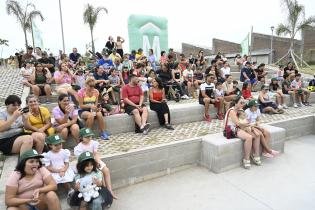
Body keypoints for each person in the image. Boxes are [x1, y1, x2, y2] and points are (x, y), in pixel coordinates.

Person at [74, 128, 117, 199]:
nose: (89, 138)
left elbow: (95, 154)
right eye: (86, 137)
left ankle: (110, 190)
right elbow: (81, 160)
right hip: (85, 164)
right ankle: (101, 188)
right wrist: (92, 165)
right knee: (97, 173)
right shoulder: (79, 147)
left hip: (94, 161)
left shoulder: (93, 143)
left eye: (90, 136)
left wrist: (97, 162)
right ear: (81, 138)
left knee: (106, 170)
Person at [224, 96, 261, 169]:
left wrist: (250, 125)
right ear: (235, 103)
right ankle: (246, 159)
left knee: (258, 135)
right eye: (241, 102)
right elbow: (238, 124)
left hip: (241, 127)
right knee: (249, 137)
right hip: (232, 129)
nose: (243, 104)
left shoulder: (240, 110)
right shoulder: (232, 111)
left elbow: (245, 120)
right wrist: (250, 125)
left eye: (244, 102)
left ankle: (255, 155)